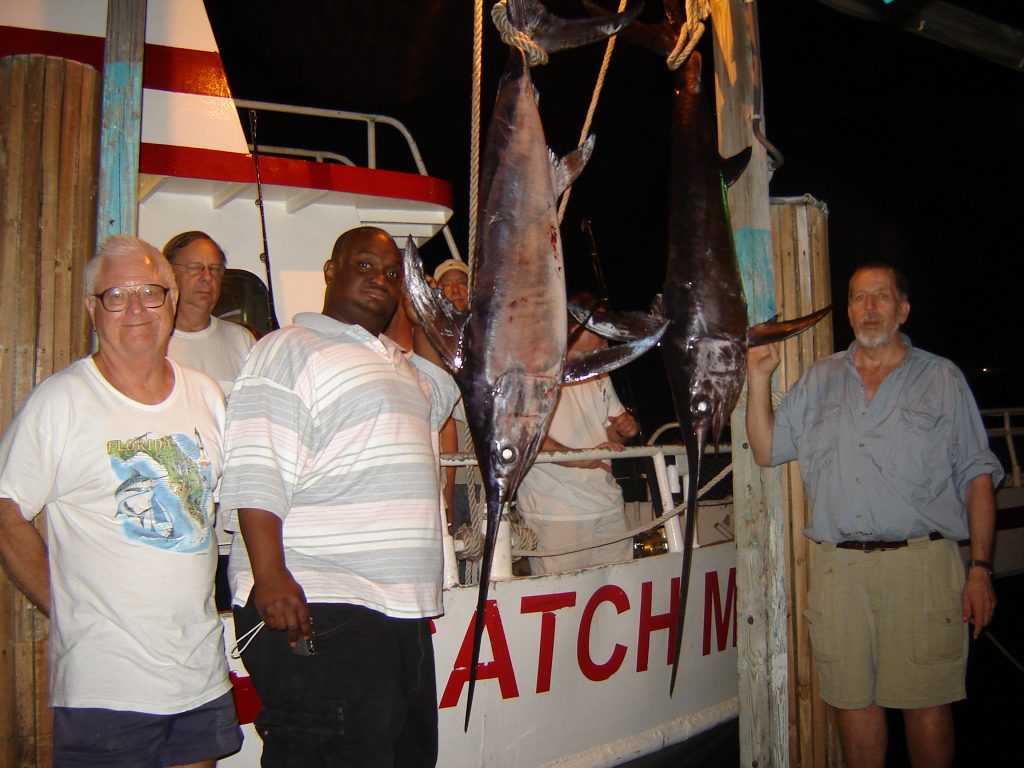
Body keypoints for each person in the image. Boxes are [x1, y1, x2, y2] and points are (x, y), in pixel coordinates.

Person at [745, 263, 1002, 768]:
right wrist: (758, 379)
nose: (869, 307)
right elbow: (766, 449)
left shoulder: (941, 377)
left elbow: (977, 474)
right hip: (839, 570)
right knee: (851, 703)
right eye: (859, 298)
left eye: (881, 297)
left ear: (902, 309)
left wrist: (981, 568)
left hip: (922, 565)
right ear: (848, 311)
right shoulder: (819, 379)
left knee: (926, 703)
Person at [0, 235, 242, 767]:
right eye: (116, 295)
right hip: (105, 686)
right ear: (93, 309)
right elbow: (5, 511)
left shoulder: (205, 393)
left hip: (198, 674)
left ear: (172, 301)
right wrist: (63, 606)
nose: (135, 309)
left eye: (151, 293)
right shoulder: (62, 401)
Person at [220, 226, 457, 767]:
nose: (380, 280)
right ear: (331, 272)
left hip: (400, 613)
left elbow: (440, 392)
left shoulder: (398, 365)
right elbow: (257, 465)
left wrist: (418, 311)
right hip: (323, 605)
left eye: (392, 274)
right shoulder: (290, 347)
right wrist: (271, 578)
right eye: (365, 266)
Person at [515, 298, 640, 574]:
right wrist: (573, 459)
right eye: (599, 328)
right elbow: (520, 435)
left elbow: (610, 437)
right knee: (559, 605)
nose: (608, 337)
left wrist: (622, 431)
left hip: (607, 503)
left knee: (620, 592)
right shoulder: (532, 370)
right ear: (573, 327)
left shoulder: (600, 372)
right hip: (556, 513)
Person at [163, 231, 255, 397]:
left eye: (214, 269)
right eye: (195, 268)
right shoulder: (152, 341)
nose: (207, 277)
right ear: (168, 273)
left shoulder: (242, 340)